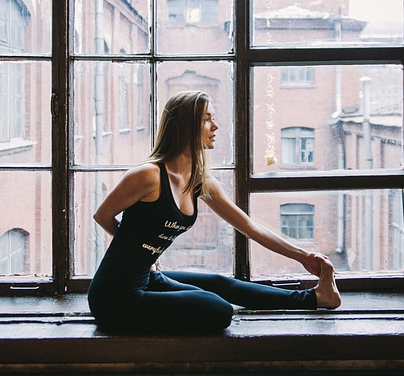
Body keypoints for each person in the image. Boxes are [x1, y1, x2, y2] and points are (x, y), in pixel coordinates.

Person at [88, 89, 341, 334]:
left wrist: (303, 256)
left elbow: (249, 226)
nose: (215, 126)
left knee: (221, 284)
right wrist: (136, 250)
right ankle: (313, 297)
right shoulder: (148, 175)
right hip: (115, 296)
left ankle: (317, 297)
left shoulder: (200, 181)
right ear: (185, 126)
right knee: (218, 309)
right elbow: (103, 215)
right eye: (206, 119)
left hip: (147, 278)